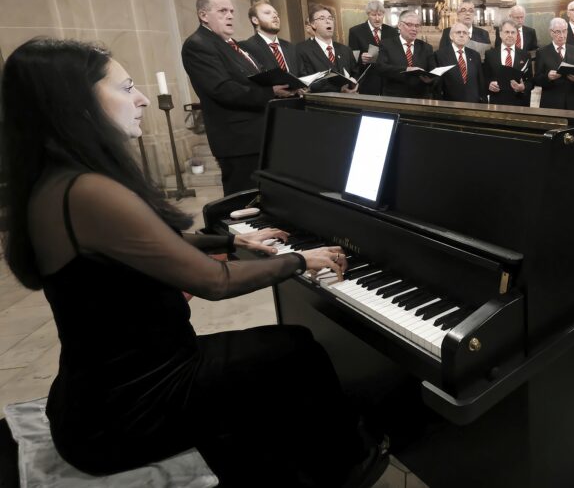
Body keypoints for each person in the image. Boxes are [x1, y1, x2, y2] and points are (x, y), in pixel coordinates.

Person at [0, 38, 389, 488]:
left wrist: (227, 237)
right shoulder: (88, 190)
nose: (142, 97)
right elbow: (216, 284)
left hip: (97, 396)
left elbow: (140, 240)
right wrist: (299, 260)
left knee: (276, 355)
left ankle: (295, 458)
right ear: (76, 104)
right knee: (296, 349)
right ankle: (346, 465)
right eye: (127, 88)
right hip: (132, 410)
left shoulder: (55, 180)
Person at [181, 0, 297, 195]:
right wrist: (270, 91)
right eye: (222, 11)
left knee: (267, 197)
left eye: (232, 11)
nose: (230, 16)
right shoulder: (198, 44)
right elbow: (222, 89)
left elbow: (251, 78)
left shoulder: (231, 44)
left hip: (258, 134)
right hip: (238, 141)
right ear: (203, 15)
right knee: (245, 202)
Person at [296, 4, 359, 92]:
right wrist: (339, 89)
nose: (328, 21)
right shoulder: (302, 50)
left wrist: (354, 84)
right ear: (313, 24)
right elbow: (306, 81)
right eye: (322, 18)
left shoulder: (345, 50)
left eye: (330, 18)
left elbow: (355, 73)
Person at [378, 9, 436, 98]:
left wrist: (430, 80)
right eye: (409, 25)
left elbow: (433, 73)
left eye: (417, 26)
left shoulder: (427, 48)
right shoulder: (386, 44)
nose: (414, 29)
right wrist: (407, 69)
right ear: (399, 25)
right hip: (395, 97)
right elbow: (382, 68)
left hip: (420, 98)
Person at [348, 0, 399, 96]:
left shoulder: (392, 32)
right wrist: (361, 59)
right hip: (367, 80)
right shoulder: (355, 31)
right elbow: (352, 57)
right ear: (368, 14)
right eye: (373, 15)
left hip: (389, 81)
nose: (377, 19)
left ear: (384, 14)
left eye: (380, 15)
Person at [534, 17, 574, 109]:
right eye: (558, 32)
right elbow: (537, 79)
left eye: (564, 31)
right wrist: (548, 77)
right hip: (552, 102)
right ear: (551, 32)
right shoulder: (542, 52)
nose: (562, 35)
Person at [484, 19, 533, 106]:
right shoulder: (490, 54)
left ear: (517, 35)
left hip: (519, 103)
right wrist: (489, 84)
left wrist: (523, 87)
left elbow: (531, 81)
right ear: (500, 34)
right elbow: (484, 77)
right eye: (507, 32)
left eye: (513, 32)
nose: (510, 35)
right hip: (497, 102)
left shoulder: (525, 55)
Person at [239, 0, 298, 72]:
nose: (275, 16)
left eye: (276, 14)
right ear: (255, 20)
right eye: (267, 13)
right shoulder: (246, 48)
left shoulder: (290, 47)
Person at [434, 22, 486, 103]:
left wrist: (483, 101)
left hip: (473, 104)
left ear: (468, 37)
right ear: (451, 36)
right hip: (450, 104)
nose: (462, 35)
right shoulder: (439, 55)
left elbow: (480, 81)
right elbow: (438, 84)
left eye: (465, 33)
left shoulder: (475, 55)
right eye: (458, 32)